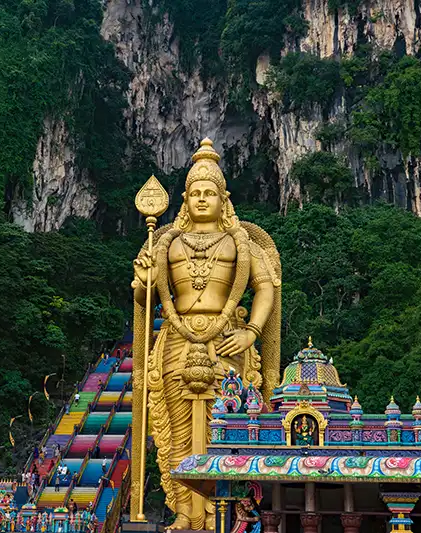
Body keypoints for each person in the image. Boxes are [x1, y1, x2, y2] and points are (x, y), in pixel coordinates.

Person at [131, 138, 281, 530]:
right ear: (185, 199)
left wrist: (251, 331)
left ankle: (223, 514)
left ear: (222, 199)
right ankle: (185, 512)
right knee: (177, 428)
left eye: (209, 193)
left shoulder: (240, 242)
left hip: (227, 338)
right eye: (195, 193)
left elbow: (265, 287)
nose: (201, 199)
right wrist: (143, 280)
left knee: (225, 428)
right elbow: (146, 299)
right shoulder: (166, 242)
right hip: (177, 339)